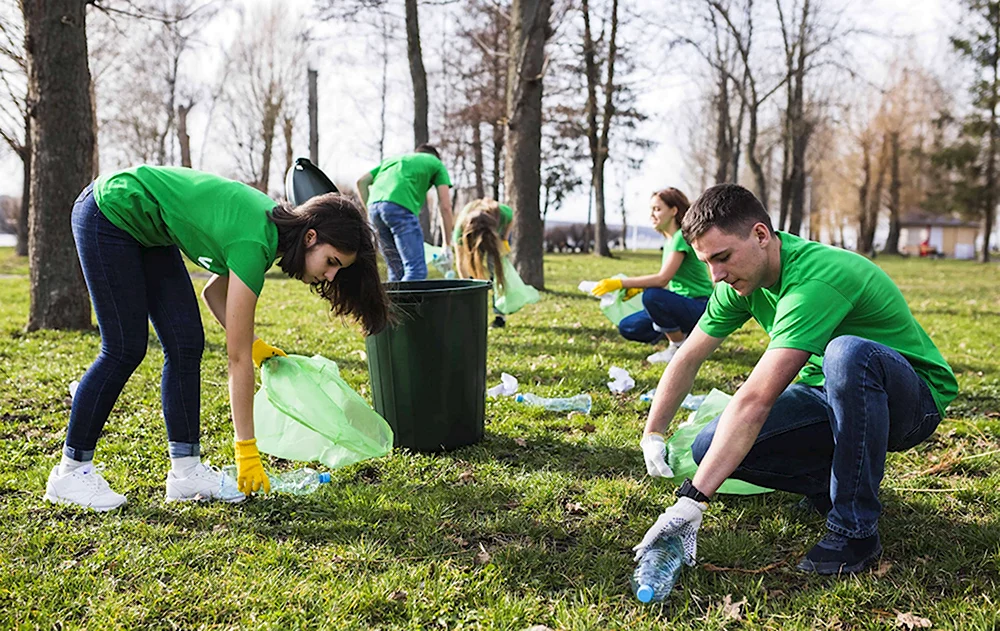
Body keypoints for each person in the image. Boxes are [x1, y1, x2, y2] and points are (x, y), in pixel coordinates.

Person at [633, 183, 957, 575]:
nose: (715, 275)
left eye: (722, 257)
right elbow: (687, 357)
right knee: (707, 447)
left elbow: (757, 398)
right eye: (706, 262)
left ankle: (855, 531)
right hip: (828, 392)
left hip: (910, 403)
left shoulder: (816, 278)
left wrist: (692, 499)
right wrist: (654, 432)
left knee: (847, 353)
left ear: (760, 235)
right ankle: (829, 485)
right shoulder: (738, 281)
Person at [44, 165, 390, 511]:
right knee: (124, 347)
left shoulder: (270, 235)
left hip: (150, 229)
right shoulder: (255, 241)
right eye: (331, 262)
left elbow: (213, 294)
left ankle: (186, 471)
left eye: (337, 270)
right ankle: (70, 472)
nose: (328, 275)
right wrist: (247, 450)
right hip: (110, 210)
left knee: (186, 343)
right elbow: (235, 360)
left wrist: (254, 346)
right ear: (311, 237)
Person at [591, 188, 712, 363]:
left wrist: (621, 283)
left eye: (657, 209)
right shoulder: (669, 241)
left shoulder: (680, 237)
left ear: (673, 211)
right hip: (681, 304)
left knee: (652, 296)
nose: (652, 215)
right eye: (651, 210)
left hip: (699, 305)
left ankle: (677, 347)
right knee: (628, 327)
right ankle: (683, 334)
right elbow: (667, 281)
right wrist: (638, 288)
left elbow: (663, 278)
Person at [357, 144, 455, 281]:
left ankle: (392, 303)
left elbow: (361, 182)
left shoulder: (392, 160)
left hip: (374, 208)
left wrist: (371, 212)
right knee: (416, 271)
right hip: (399, 207)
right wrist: (447, 244)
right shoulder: (436, 163)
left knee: (396, 271)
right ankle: (408, 303)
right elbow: (445, 207)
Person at [452, 198, 513, 327]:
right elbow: (460, 262)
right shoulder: (460, 230)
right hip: (473, 235)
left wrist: (505, 238)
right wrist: (468, 288)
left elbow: (511, 218)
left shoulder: (502, 213)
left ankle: (500, 315)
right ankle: (473, 312)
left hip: (494, 235)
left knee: (496, 271)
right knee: (473, 269)